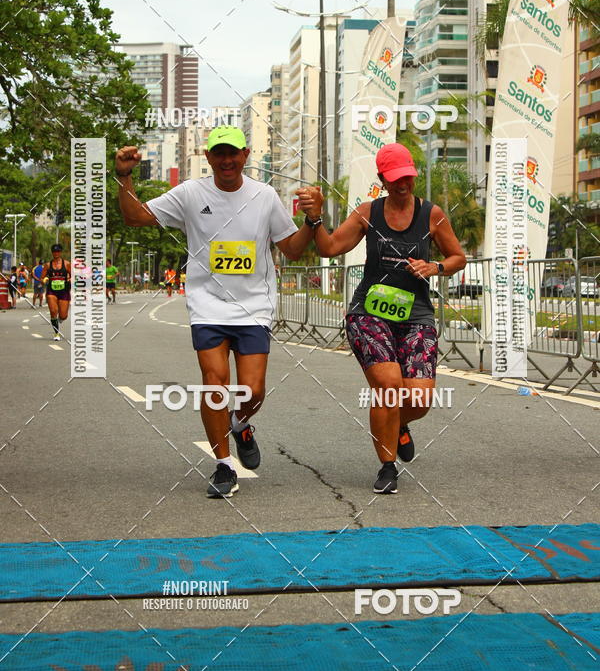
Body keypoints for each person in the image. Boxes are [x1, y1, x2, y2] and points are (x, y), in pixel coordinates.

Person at [115, 125, 317, 498]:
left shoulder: (264, 196)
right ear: (207, 157)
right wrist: (124, 176)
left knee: (252, 391)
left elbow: (291, 249)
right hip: (207, 305)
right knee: (215, 384)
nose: (227, 160)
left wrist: (313, 220)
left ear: (245, 156)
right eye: (219, 153)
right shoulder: (191, 193)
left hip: (253, 307)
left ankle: (240, 424)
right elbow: (136, 217)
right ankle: (224, 465)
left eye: (234, 153)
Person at [297, 143, 466, 495]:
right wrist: (314, 219)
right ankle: (387, 466)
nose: (402, 184)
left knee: (418, 400)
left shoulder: (432, 215)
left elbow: (457, 258)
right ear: (382, 180)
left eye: (407, 176)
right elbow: (328, 248)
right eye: (395, 179)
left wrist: (435, 267)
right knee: (389, 387)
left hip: (416, 314)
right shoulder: (366, 213)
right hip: (370, 313)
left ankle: (399, 426)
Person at [41, 244, 71, 340]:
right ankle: (56, 333)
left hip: (64, 291)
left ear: (60, 252)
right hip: (52, 291)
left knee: (63, 315)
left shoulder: (66, 264)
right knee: (53, 311)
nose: (56, 253)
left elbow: (74, 275)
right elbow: (42, 277)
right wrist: (44, 279)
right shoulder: (47, 265)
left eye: (58, 251)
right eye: (54, 251)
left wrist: (70, 279)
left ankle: (58, 320)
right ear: (52, 253)